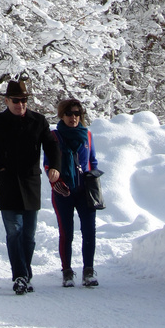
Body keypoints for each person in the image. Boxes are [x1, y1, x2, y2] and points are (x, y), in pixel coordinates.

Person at [0, 79, 61, 295]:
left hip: (31, 183)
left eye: (24, 100)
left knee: (29, 235)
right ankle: (20, 276)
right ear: (6, 101)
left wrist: (55, 167)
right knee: (14, 231)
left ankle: (25, 271)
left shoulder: (38, 121)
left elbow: (52, 146)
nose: (20, 104)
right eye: (16, 100)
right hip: (7, 184)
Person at [48, 98, 100, 288]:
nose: (73, 117)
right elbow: (48, 163)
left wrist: (93, 179)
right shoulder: (54, 137)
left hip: (84, 191)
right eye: (69, 113)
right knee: (66, 232)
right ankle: (67, 271)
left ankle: (88, 270)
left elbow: (92, 161)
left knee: (89, 230)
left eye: (77, 113)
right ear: (62, 115)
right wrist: (55, 180)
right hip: (63, 192)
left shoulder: (87, 135)